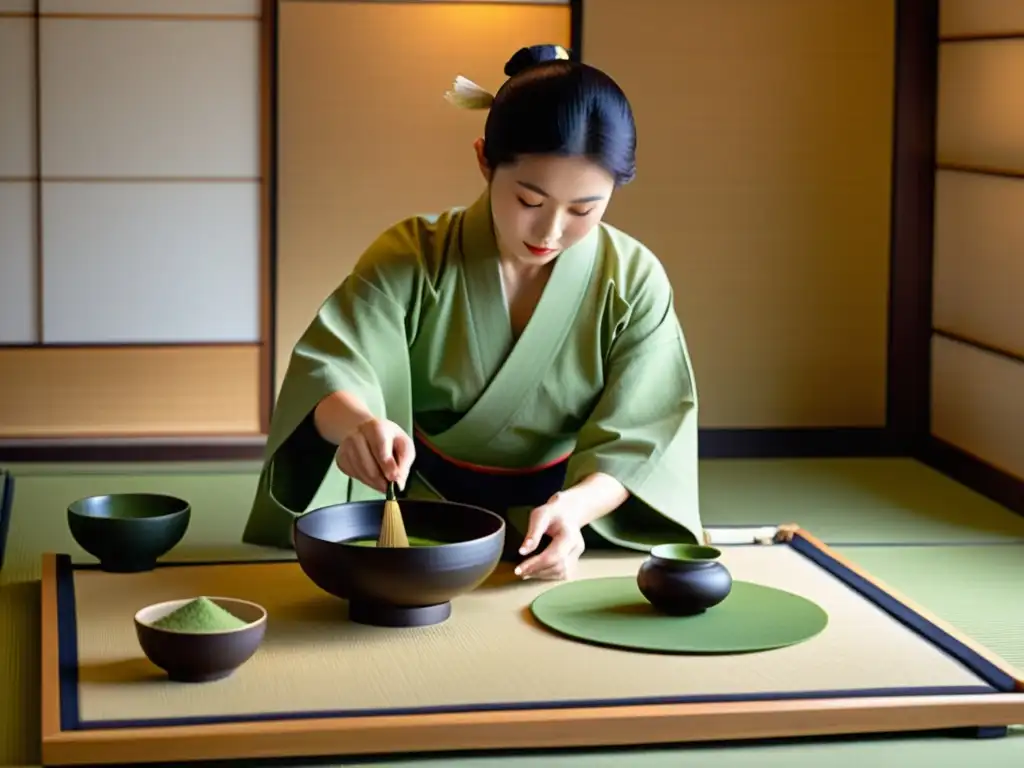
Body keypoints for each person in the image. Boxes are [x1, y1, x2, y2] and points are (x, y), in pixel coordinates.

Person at [242, 44, 704, 581]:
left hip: (562, 519)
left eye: (585, 210)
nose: (551, 231)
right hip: (417, 516)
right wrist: (361, 426)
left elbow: (644, 432)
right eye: (530, 201)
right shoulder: (412, 257)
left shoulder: (632, 279)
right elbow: (331, 368)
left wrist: (574, 510)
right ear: (484, 159)